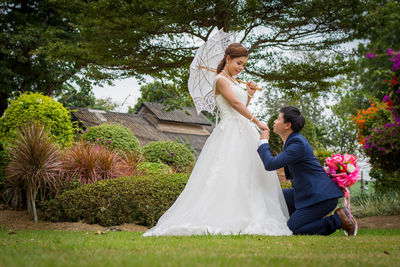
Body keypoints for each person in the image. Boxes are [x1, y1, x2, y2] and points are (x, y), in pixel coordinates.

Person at [143, 43, 292, 236]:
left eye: (244, 65)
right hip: (230, 131)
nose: (241, 68)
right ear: (228, 59)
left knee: (246, 174)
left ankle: (245, 213)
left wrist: (249, 94)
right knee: (228, 172)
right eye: (239, 63)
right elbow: (234, 104)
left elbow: (241, 102)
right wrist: (256, 121)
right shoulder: (220, 80)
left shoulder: (234, 81)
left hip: (244, 130)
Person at [257, 106, 357, 236]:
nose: (275, 121)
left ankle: (339, 220)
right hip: (305, 192)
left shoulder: (296, 144)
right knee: (274, 196)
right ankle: (299, 219)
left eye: (278, 119)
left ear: (287, 125)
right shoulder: (292, 141)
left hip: (320, 197)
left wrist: (263, 142)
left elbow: (270, 164)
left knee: (292, 230)